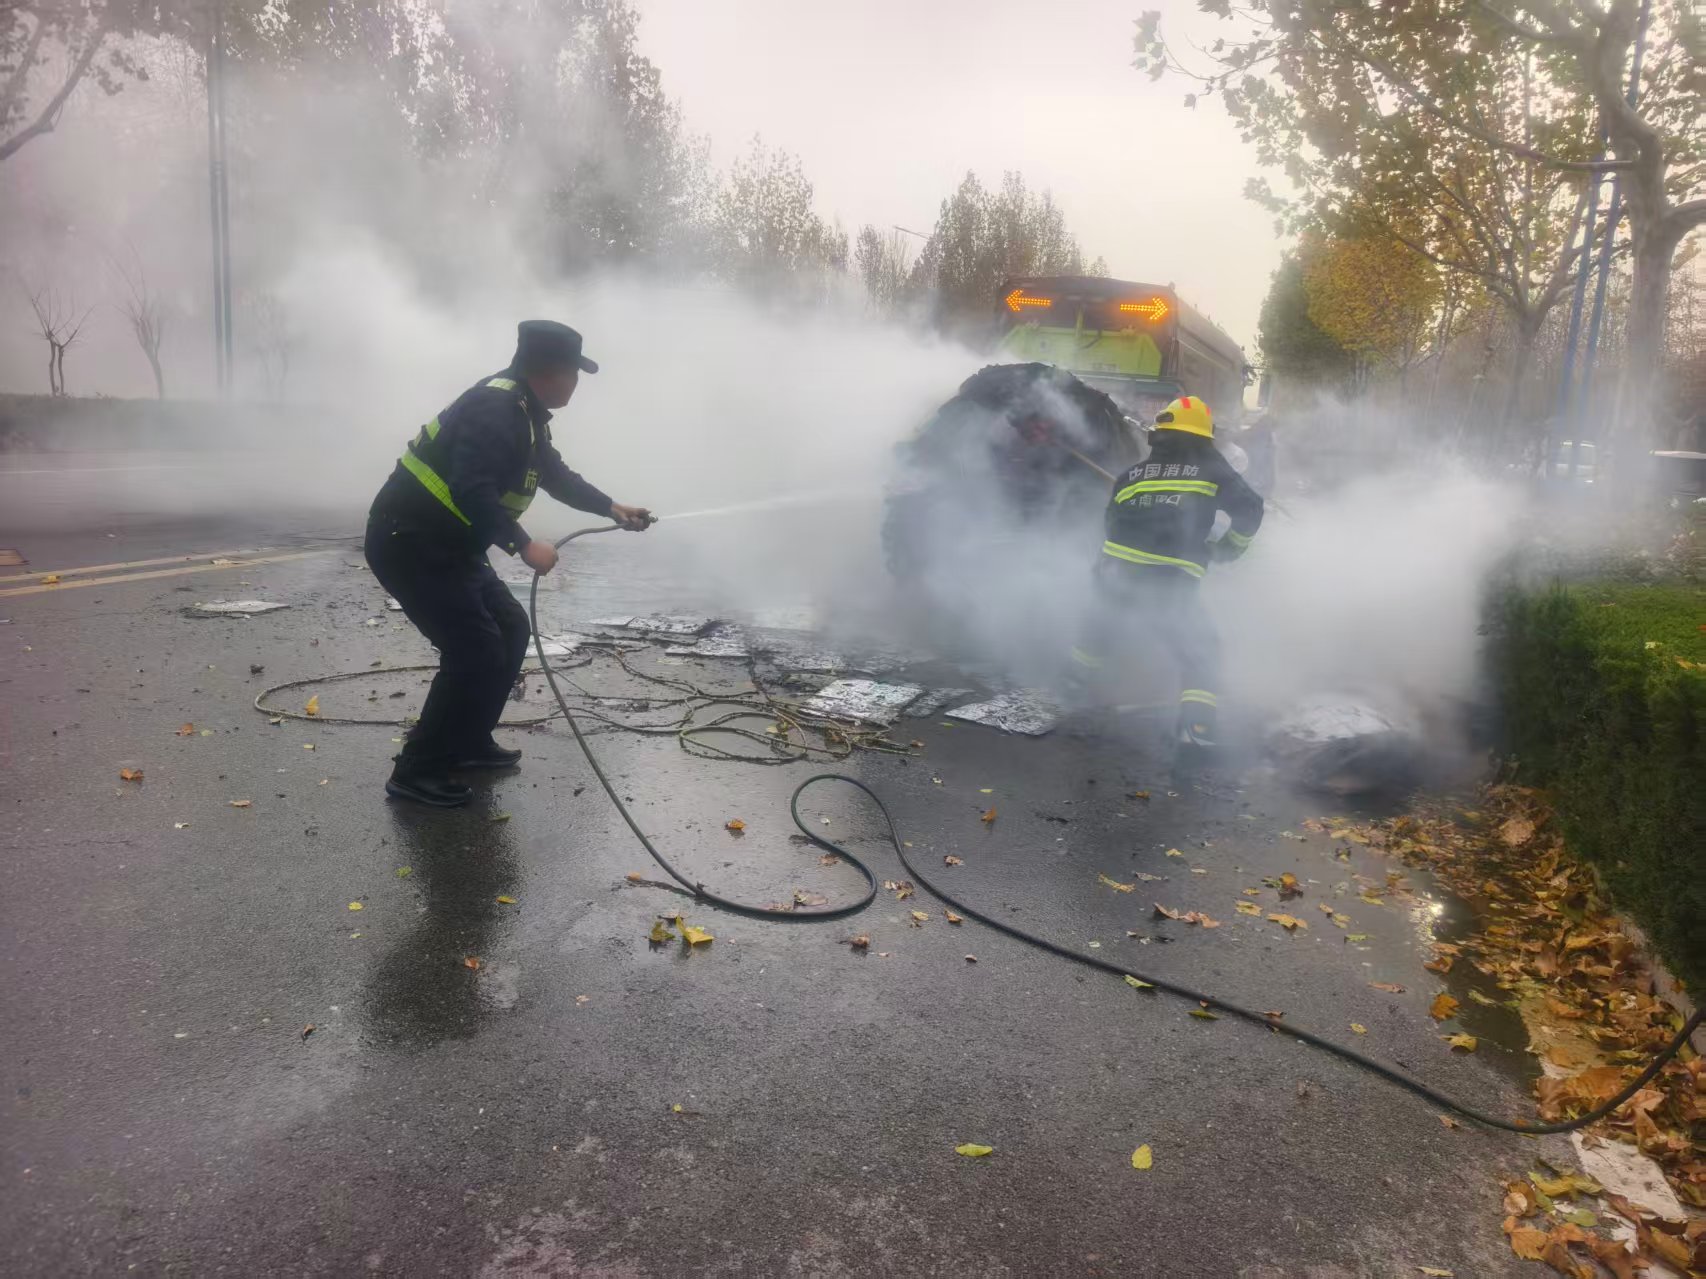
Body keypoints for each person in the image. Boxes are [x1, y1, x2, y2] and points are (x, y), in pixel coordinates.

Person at [365, 320, 652, 807]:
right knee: (474, 649)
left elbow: (554, 474)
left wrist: (611, 507)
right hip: (409, 542)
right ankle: (417, 770)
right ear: (551, 372)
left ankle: (467, 742)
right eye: (574, 374)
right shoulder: (495, 409)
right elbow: (470, 488)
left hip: (451, 545)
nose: (576, 385)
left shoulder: (526, 411)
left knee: (511, 629)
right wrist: (523, 545)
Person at [1070, 394, 1263, 756]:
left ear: (1159, 434)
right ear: (1203, 437)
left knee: (1097, 633)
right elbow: (1251, 508)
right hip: (1168, 580)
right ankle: (1197, 729)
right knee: (1201, 649)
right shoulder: (1210, 466)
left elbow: (1110, 525)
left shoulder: (1132, 475)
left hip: (1113, 573)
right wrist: (1227, 549)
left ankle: (1071, 694)